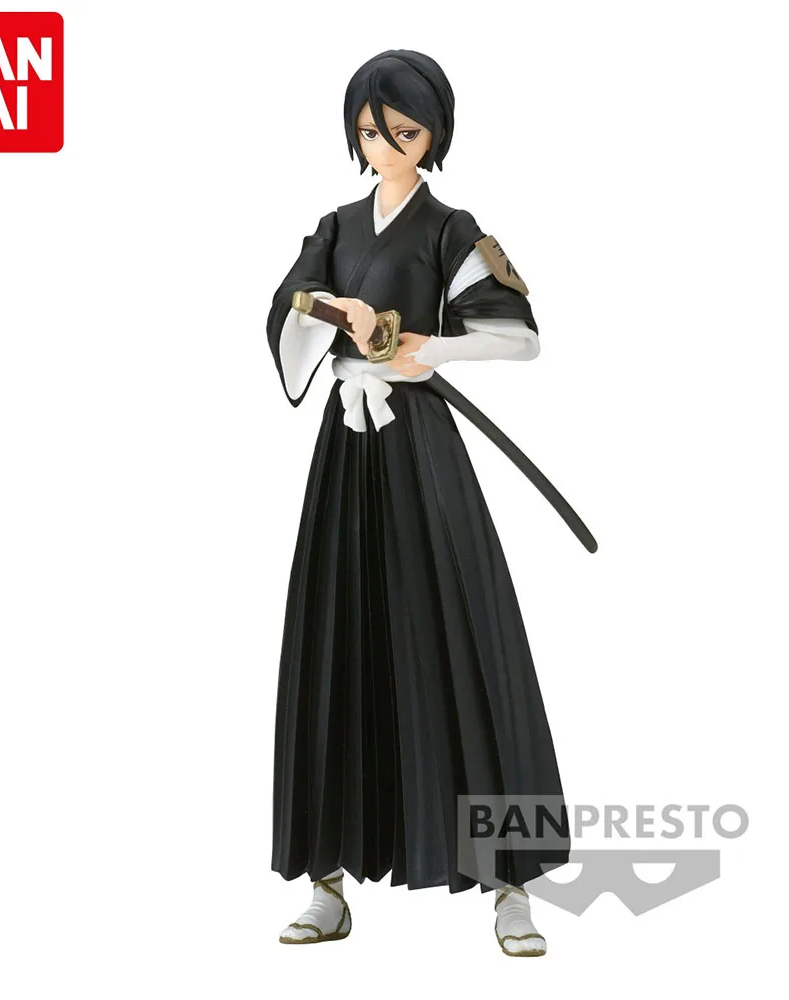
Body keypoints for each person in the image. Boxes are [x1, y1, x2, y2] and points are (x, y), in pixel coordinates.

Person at [266, 49, 568, 957]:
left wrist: (425, 350)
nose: (387, 146)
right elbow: (290, 310)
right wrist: (335, 314)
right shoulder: (334, 225)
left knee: (468, 637)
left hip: (421, 448)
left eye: (404, 130)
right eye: (371, 131)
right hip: (347, 453)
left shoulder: (448, 227)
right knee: (335, 640)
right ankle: (326, 878)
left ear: (434, 133)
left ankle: (511, 882)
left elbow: (517, 336)